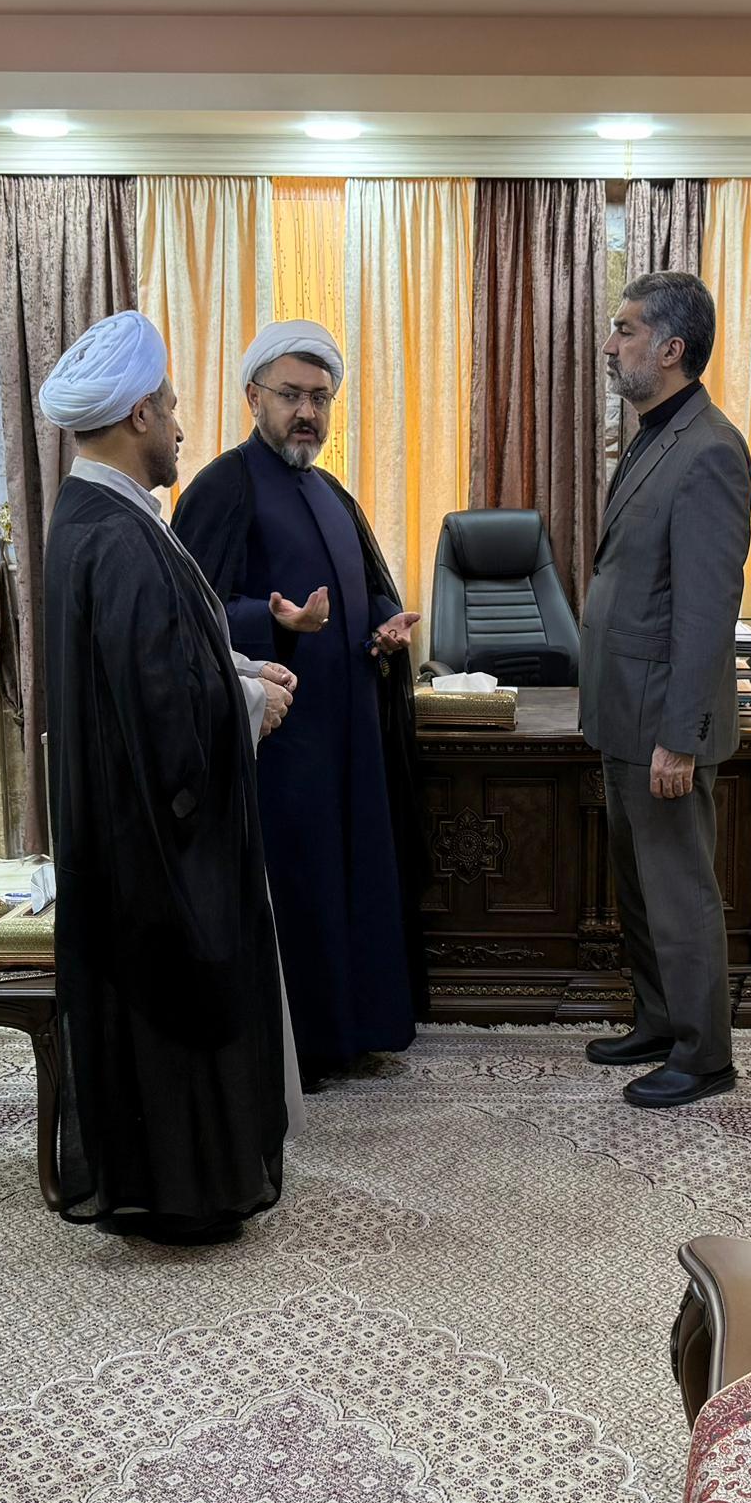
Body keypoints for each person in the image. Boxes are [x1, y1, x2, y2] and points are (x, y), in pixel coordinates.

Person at [41, 311, 305, 1245]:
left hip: (122, 824)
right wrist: (250, 703)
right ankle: (184, 1196)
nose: (184, 429)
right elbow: (163, 714)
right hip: (152, 837)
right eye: (175, 409)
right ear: (140, 414)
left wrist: (238, 668)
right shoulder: (118, 537)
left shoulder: (97, 516)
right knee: (175, 1000)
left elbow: (162, 656)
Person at [171, 321, 428, 1083]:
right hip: (277, 742)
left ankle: (357, 1032)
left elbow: (366, 588)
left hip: (349, 736)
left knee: (352, 879)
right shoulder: (224, 486)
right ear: (254, 398)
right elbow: (189, 615)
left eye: (320, 398)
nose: (307, 412)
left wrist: (386, 623)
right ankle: (303, 1050)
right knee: (299, 889)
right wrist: (273, 621)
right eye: (291, 396)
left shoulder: (330, 490)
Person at [579, 272, 751, 1108]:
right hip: (624, 711)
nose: (610, 345)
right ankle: (658, 1021)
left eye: (626, 330)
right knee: (640, 888)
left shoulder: (711, 448)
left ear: (672, 348)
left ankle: (704, 1055)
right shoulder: (655, 434)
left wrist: (680, 738)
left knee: (680, 893)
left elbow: (707, 610)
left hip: (664, 724)